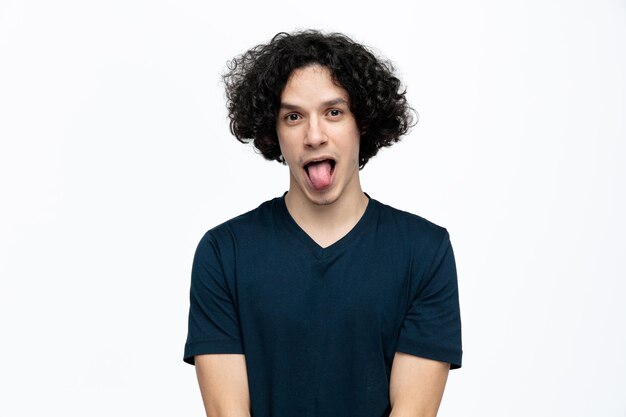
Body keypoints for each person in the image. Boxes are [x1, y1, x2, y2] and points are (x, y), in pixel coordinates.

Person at [183, 29, 462, 417]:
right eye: (293, 117)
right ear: (273, 132)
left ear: (361, 123)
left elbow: (413, 410)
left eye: (334, 112)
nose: (314, 135)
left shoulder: (423, 252)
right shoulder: (224, 252)